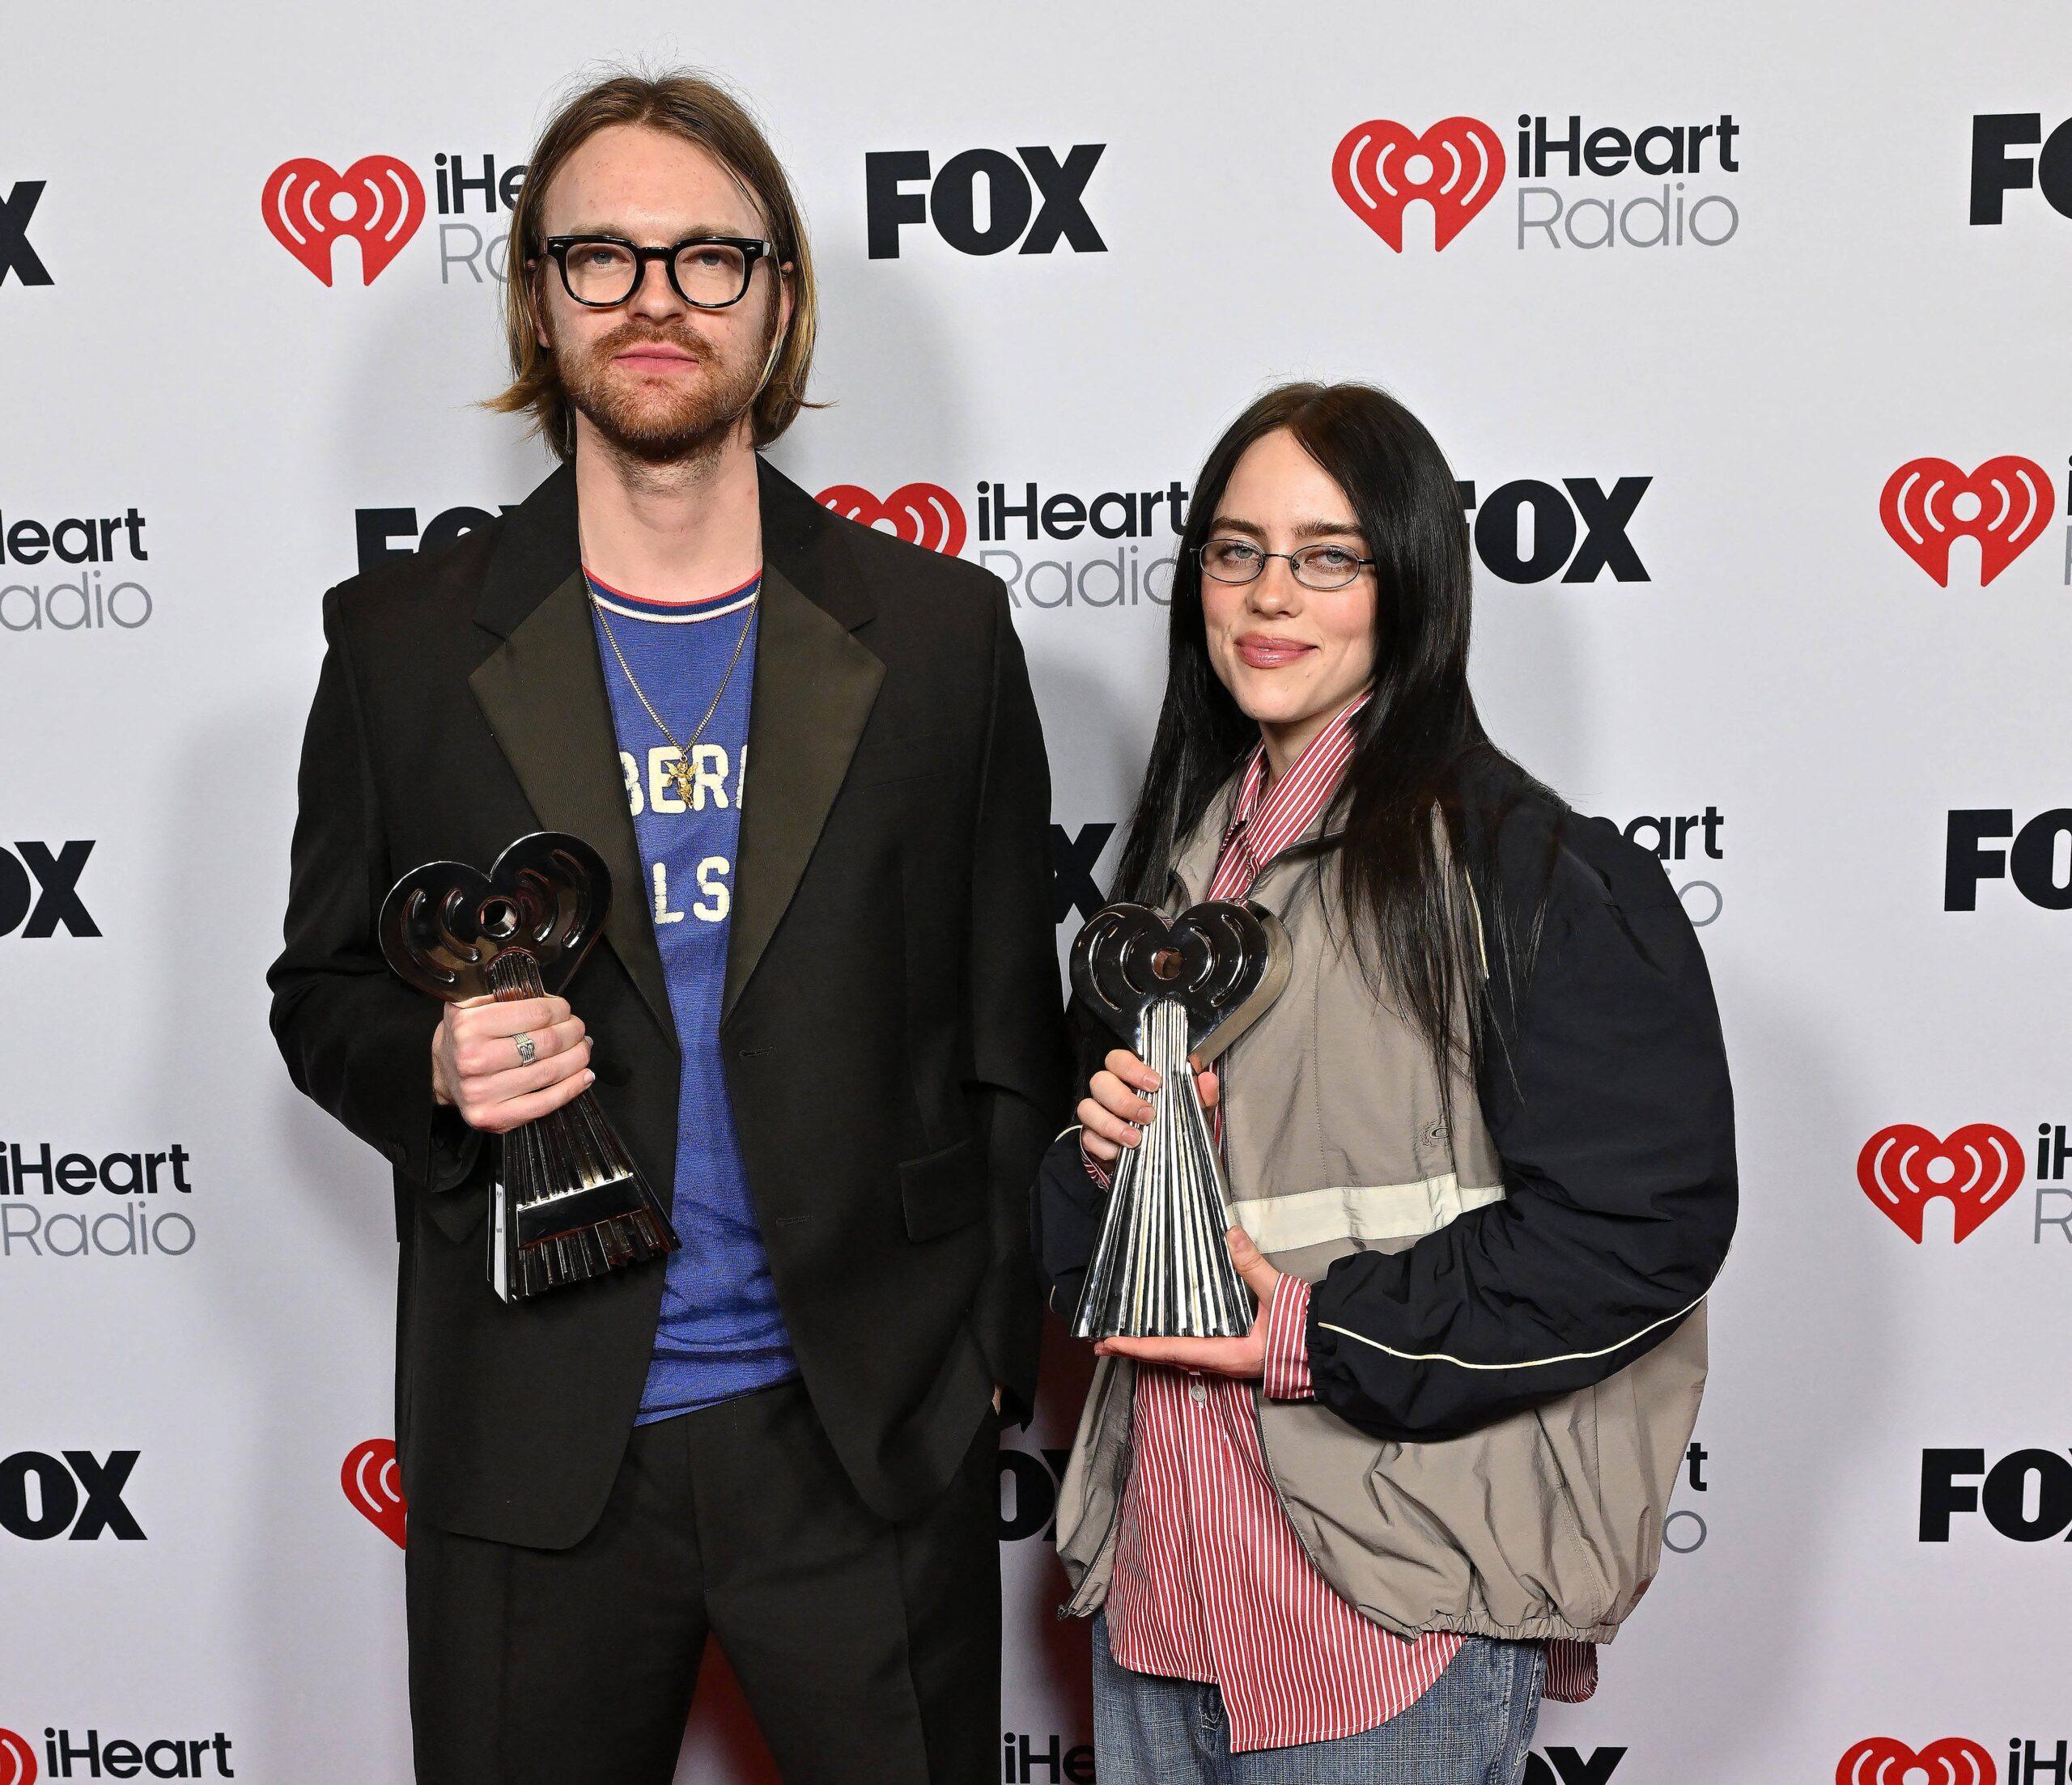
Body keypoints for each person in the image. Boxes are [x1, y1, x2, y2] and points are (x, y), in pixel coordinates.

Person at [269, 70, 1066, 1785]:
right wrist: (431, 1060)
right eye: (601, 257)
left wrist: (984, 1365)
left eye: (709, 257)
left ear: (777, 299)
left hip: (863, 1431)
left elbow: (1011, 1023)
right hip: (534, 1439)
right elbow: (319, 988)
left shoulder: (941, 634)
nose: (654, 299)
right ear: (537, 298)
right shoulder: (401, 644)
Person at [1033, 382, 1736, 1783]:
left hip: (1380, 1621)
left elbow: (1634, 1228)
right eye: (1237, 551)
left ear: (1408, 582)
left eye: (1327, 556)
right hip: (1158, 1598)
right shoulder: (1170, 881)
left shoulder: (1525, 871)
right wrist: (1102, 1165)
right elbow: (1083, 1249)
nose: (1269, 594)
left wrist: (1308, 1330)